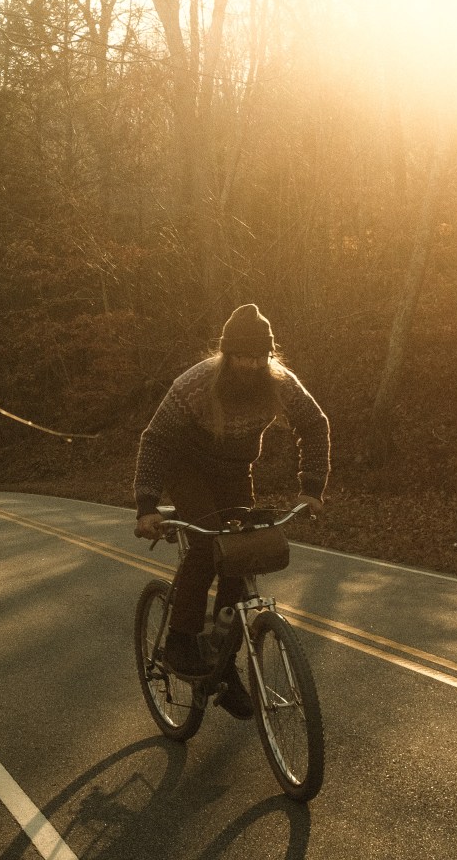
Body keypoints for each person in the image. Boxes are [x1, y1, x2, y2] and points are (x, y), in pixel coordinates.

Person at [132, 304, 330, 719]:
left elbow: (314, 424)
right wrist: (146, 505)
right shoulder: (195, 384)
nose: (252, 365)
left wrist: (311, 488)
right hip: (186, 467)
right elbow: (155, 440)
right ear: (226, 354)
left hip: (235, 470)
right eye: (242, 356)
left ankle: (223, 662)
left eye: (260, 356)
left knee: (242, 554)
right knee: (208, 545)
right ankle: (181, 640)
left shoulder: (279, 381)